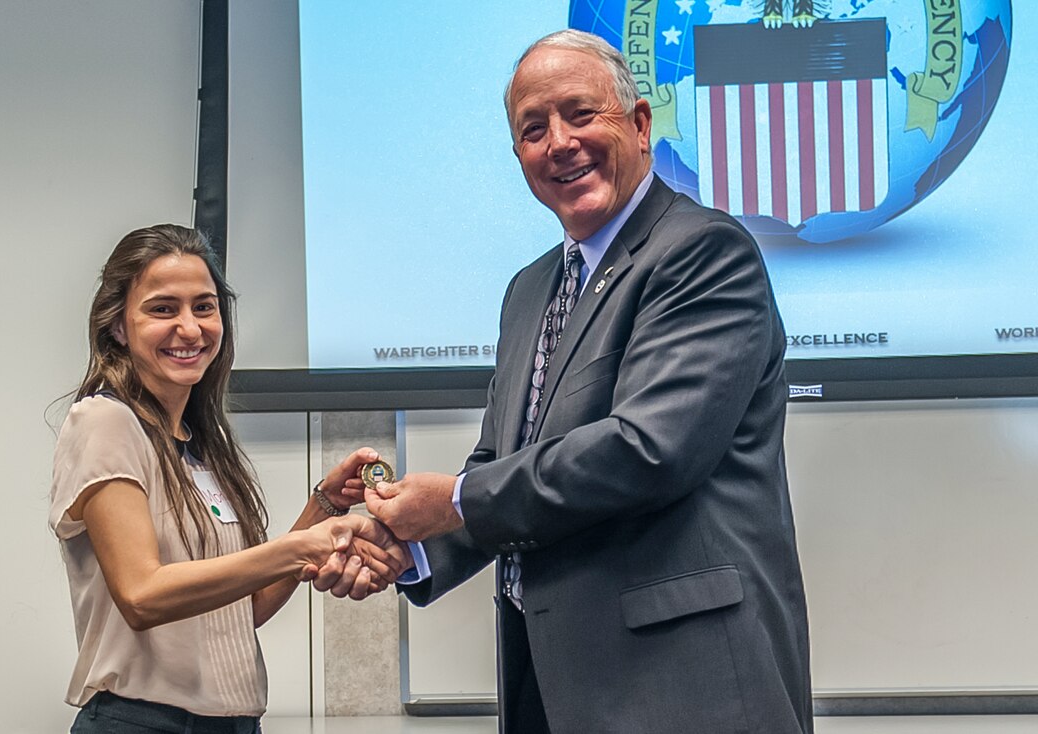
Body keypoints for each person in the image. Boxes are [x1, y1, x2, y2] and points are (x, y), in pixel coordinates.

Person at [361, 30, 814, 733]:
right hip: (550, 687)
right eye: (532, 130)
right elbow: (501, 469)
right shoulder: (529, 289)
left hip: (683, 689)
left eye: (580, 114)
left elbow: (647, 450)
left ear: (638, 125)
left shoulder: (703, 251)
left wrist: (453, 501)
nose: (559, 143)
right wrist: (401, 550)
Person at [49, 224, 406, 732]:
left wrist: (325, 507)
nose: (191, 329)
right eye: (162, 308)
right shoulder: (106, 421)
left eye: (204, 306)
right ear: (118, 326)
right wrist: (304, 547)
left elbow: (247, 609)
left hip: (235, 723)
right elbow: (141, 595)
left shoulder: (200, 442)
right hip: (143, 723)